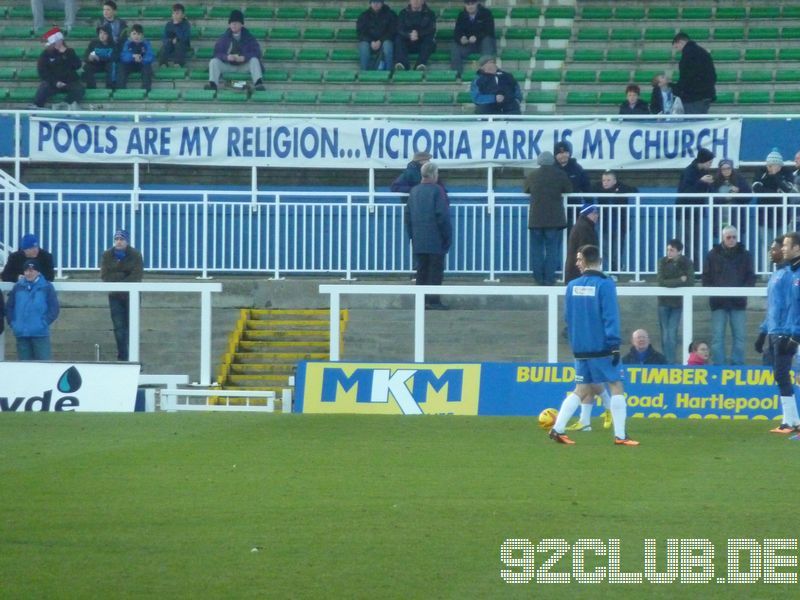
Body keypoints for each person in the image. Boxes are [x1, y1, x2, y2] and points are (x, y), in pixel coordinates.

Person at [548, 244, 638, 446]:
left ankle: (557, 429)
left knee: (580, 390)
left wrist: (577, 339)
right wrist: (614, 344)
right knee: (616, 386)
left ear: (587, 261)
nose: (577, 263)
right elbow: (610, 316)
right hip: (601, 347)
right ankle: (621, 435)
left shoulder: (572, 286)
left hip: (580, 348)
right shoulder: (605, 285)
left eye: (579, 260)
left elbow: (567, 317)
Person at [757, 236, 799, 433]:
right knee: (781, 375)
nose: (776, 251)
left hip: (786, 330)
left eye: (779, 247)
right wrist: (763, 331)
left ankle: (789, 421)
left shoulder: (789, 275)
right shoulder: (779, 274)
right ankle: (792, 420)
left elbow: (790, 306)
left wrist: (793, 334)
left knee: (782, 374)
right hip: (776, 329)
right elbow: (773, 307)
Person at [702, 225, 756, 365]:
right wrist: (712, 291)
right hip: (718, 302)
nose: (732, 240)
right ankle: (719, 367)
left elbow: (751, 276)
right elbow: (706, 277)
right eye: (728, 237)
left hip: (738, 303)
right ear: (722, 238)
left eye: (734, 237)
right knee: (717, 338)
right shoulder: (712, 254)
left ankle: (737, 366)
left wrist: (744, 290)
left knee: (739, 337)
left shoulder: (745, 254)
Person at [404, 162, 451, 309]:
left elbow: (408, 216)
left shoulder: (414, 191)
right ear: (434, 174)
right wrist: (447, 237)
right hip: (435, 239)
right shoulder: (437, 191)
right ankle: (433, 301)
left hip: (418, 239)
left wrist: (412, 236)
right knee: (435, 271)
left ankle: (421, 301)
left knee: (421, 271)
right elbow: (442, 216)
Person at [524, 151, 571, 286]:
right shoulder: (560, 174)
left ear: (539, 161)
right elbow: (568, 189)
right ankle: (549, 278)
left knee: (536, 249)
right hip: (554, 219)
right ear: (552, 161)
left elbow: (525, 190)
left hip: (536, 219)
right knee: (552, 249)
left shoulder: (532, 175)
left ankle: (538, 278)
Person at [100, 229, 143, 361]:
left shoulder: (135, 255)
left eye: (122, 239)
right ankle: (123, 356)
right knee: (119, 328)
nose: (119, 242)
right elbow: (105, 276)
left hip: (132, 296)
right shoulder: (107, 255)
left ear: (127, 241)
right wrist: (123, 275)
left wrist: (118, 278)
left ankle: (133, 356)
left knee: (131, 326)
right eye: (116, 239)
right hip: (115, 296)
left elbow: (136, 276)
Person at [6, 259, 60, 360]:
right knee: (25, 369)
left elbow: (54, 308)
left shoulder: (47, 287)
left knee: (44, 367)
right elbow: (10, 306)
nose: (28, 273)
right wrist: (13, 323)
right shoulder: (18, 287)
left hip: (40, 334)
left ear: (38, 272)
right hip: (21, 334)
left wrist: (43, 323)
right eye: (26, 271)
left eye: (32, 270)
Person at [204, 10, 264, 92]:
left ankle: (258, 83)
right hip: (228, 65)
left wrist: (244, 58)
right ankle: (213, 84)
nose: (233, 24)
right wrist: (227, 57)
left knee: (254, 60)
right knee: (214, 62)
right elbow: (216, 53)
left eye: (236, 22)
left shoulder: (249, 37)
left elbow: (257, 52)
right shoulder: (224, 37)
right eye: (232, 22)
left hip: (244, 66)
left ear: (242, 24)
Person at [656, 239, 694, 364]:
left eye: (672, 250)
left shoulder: (686, 262)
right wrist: (679, 281)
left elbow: (690, 282)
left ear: (679, 251)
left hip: (677, 303)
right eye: (668, 249)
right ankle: (667, 361)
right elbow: (661, 281)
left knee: (671, 334)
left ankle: (670, 363)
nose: (669, 252)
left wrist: (672, 282)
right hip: (663, 302)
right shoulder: (662, 261)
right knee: (665, 335)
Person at [677, 147, 715, 269]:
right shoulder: (689, 172)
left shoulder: (703, 172)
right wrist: (701, 182)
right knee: (686, 242)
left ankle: (695, 269)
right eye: (709, 163)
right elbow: (685, 192)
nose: (710, 165)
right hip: (685, 213)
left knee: (695, 242)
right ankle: (688, 269)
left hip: (696, 213)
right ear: (703, 161)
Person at [593, 170, 637, 273]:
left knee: (617, 250)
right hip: (605, 224)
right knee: (605, 248)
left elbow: (635, 191)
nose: (605, 183)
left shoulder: (622, 188)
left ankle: (616, 270)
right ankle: (606, 270)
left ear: (615, 181)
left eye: (608, 180)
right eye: (604, 180)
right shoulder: (598, 188)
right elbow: (588, 189)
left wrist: (619, 190)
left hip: (620, 225)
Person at [32, 26, 84, 110]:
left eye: (59, 41)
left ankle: (65, 104)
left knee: (79, 89)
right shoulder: (46, 54)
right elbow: (42, 72)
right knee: (44, 86)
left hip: (69, 81)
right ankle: (36, 106)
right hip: (53, 82)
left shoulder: (70, 52)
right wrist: (55, 82)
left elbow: (77, 65)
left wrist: (66, 54)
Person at [779, 233, 800, 434]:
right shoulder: (792, 273)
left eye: (786, 245)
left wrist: (796, 336)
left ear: (797, 248)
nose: (783, 248)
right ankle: (794, 422)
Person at [752, 148, 797, 231]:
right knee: (766, 243)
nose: (770, 167)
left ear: (780, 165)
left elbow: (787, 189)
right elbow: (756, 188)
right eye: (769, 165)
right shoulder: (761, 172)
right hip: (764, 214)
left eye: (773, 165)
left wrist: (776, 175)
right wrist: (776, 194)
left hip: (782, 215)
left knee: (783, 242)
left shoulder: (787, 173)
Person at [671, 32, 716, 114]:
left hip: (693, 96)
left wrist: (677, 89)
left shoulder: (688, 55)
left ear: (681, 42)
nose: (678, 50)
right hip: (705, 94)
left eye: (677, 47)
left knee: (693, 121)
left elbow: (686, 77)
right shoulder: (702, 52)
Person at [450, 0, 495, 78]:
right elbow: (457, 32)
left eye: (472, 4)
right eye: (468, 4)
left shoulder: (486, 13)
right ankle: (457, 74)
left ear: (477, 3)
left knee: (487, 40)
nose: (470, 6)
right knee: (455, 46)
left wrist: (477, 37)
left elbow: (489, 30)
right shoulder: (461, 15)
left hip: (482, 43)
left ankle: (486, 74)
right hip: (468, 44)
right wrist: (461, 38)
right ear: (464, 5)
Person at [394, 0, 436, 71]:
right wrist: (409, 35)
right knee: (398, 38)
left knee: (429, 40)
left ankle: (420, 65)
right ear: (410, 1)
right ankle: (403, 64)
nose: (416, 1)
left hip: (422, 43)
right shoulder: (403, 13)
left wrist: (418, 34)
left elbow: (431, 29)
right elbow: (399, 29)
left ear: (423, 1)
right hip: (408, 43)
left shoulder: (430, 14)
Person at [711, 158, 751, 233]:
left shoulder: (740, 179)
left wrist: (738, 192)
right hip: (721, 215)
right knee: (722, 236)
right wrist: (725, 198)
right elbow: (712, 198)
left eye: (728, 168)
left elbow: (748, 196)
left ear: (732, 168)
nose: (726, 171)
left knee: (736, 237)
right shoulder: (715, 181)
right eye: (723, 169)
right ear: (720, 170)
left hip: (736, 216)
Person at [356, 0, 397, 72]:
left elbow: (393, 31)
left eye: (378, 2)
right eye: (373, 2)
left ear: (382, 3)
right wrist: (371, 41)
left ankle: (389, 71)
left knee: (388, 45)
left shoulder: (390, 15)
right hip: (369, 42)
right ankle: (364, 72)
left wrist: (381, 41)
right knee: (363, 46)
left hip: (385, 41)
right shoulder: (364, 16)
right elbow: (361, 32)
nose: (376, 4)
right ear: (370, 3)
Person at [564, 201, 599, 284]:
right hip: (578, 273)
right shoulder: (584, 228)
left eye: (597, 213)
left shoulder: (584, 226)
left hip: (577, 272)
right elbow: (585, 250)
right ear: (587, 214)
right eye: (594, 213)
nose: (596, 216)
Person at [118, 24, 154, 91]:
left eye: (138, 34)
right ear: (130, 35)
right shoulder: (127, 43)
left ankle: (146, 89)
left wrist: (142, 59)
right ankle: (121, 89)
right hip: (130, 64)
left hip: (142, 64)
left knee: (147, 67)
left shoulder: (146, 43)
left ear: (142, 35)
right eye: (134, 34)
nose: (136, 36)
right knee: (121, 66)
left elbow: (150, 55)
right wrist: (132, 56)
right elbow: (123, 56)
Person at [554, 140, 590, 206]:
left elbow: (586, 187)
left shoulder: (577, 168)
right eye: (560, 153)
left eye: (565, 152)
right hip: (555, 206)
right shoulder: (551, 169)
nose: (563, 155)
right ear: (555, 155)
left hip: (574, 206)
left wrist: (588, 205)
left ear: (569, 153)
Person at [83, 24, 117, 89]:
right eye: (100, 33)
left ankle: (110, 87)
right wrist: (89, 58)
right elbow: (86, 56)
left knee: (112, 65)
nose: (102, 35)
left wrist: (99, 58)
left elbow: (114, 57)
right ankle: (91, 87)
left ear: (109, 35)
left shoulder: (113, 44)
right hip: (96, 64)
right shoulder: (93, 43)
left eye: (105, 33)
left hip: (108, 64)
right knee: (87, 67)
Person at [158, 3, 191, 67]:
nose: (175, 15)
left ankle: (178, 63)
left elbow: (185, 38)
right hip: (171, 44)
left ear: (183, 15)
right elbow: (164, 38)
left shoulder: (186, 24)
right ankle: (163, 63)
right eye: (173, 13)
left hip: (183, 45)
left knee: (179, 43)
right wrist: (170, 40)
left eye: (177, 13)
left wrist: (176, 26)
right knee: (164, 45)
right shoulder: (169, 24)